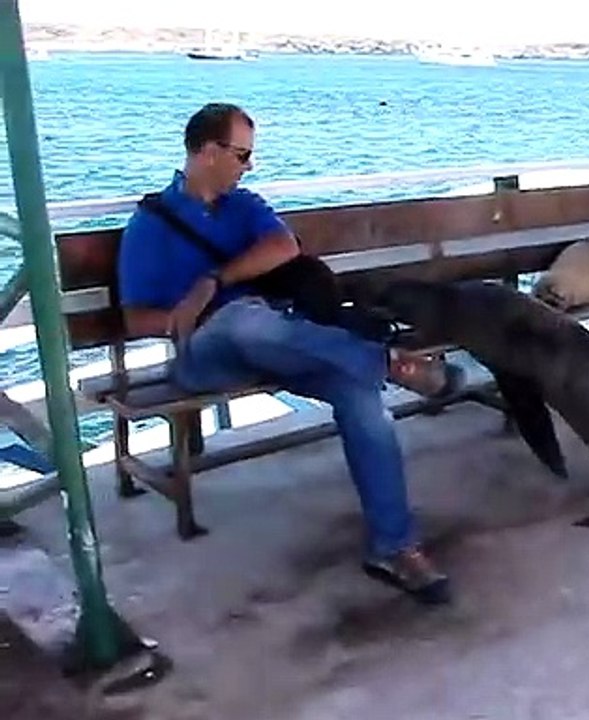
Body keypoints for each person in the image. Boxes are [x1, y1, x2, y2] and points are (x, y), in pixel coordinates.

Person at [117, 102, 463, 605]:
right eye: (242, 155)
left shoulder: (243, 206)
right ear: (208, 152)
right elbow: (135, 320)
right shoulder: (151, 224)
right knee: (240, 319)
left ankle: (394, 547)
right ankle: (387, 361)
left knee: (359, 395)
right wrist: (189, 314)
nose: (249, 165)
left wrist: (214, 279)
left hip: (278, 341)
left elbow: (284, 247)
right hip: (206, 355)